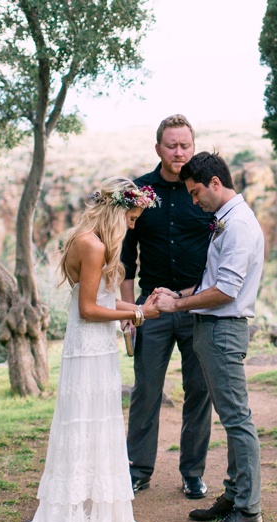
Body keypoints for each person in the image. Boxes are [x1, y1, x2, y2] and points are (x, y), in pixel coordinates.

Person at [0, 178, 160, 522]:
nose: (133, 225)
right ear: (116, 211)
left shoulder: (90, 241)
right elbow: (88, 310)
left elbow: (102, 302)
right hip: (89, 349)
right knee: (87, 423)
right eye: (132, 217)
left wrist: (139, 307)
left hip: (97, 348)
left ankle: (89, 511)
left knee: (97, 423)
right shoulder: (91, 246)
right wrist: (140, 312)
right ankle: (75, 517)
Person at [151, 152, 265, 522]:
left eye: (197, 192)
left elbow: (226, 291)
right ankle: (234, 496)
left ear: (215, 183)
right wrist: (177, 292)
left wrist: (178, 306)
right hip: (212, 328)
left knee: (237, 420)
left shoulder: (239, 227)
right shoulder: (226, 221)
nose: (194, 201)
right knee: (232, 417)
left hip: (223, 330)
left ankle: (248, 509)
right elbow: (211, 280)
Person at [121, 115, 214, 499]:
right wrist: (130, 313)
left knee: (199, 391)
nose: (179, 152)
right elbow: (126, 257)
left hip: (197, 307)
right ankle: (138, 470)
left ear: (194, 146)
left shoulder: (205, 191)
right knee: (146, 391)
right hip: (152, 308)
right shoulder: (139, 191)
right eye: (172, 145)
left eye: (185, 145)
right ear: (158, 148)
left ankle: (192, 473)